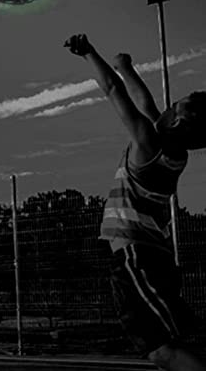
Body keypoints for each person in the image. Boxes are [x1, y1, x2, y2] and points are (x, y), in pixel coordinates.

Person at [64, 34, 206, 371]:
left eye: (179, 103)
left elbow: (114, 92)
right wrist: (127, 67)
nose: (173, 103)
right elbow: (146, 102)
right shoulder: (174, 153)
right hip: (155, 256)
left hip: (135, 256)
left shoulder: (146, 143)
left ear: (178, 121)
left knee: (163, 350)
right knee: (166, 346)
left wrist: (89, 53)